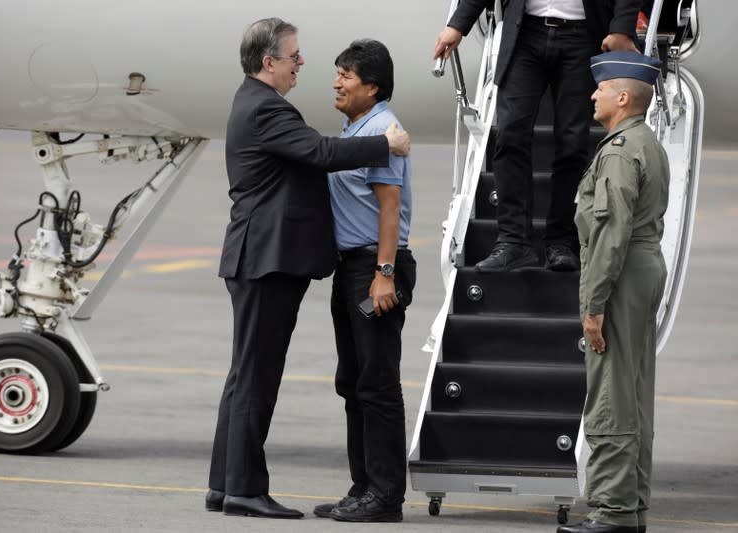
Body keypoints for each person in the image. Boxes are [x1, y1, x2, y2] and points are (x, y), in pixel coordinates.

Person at [205, 18, 411, 520]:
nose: (302, 65)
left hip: (275, 257)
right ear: (269, 62)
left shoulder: (254, 103)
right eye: (294, 56)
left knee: (248, 375)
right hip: (268, 258)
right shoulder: (265, 108)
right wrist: (389, 144)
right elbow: (319, 153)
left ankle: (225, 485)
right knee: (256, 376)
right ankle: (244, 489)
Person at [433, 0, 641, 272]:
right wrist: (458, 24)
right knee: (510, 135)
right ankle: (512, 241)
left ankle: (561, 241)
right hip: (525, 32)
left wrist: (622, 28)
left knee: (572, 142)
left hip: (582, 35)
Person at [559, 50, 668, 533]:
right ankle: (632, 506)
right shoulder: (646, 142)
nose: (592, 95)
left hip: (620, 274)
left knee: (611, 395)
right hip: (642, 268)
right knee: (634, 392)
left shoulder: (621, 150)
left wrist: (594, 305)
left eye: (600, 89)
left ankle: (612, 512)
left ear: (622, 97)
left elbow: (609, 231)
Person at [311, 39, 416, 523]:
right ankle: (363, 488)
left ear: (371, 87)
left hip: (375, 268)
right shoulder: (357, 126)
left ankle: (386, 495)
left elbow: (389, 208)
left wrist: (384, 275)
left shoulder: (382, 128)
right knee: (352, 383)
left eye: (346, 75)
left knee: (376, 385)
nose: (337, 82)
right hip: (351, 266)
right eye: (338, 73)